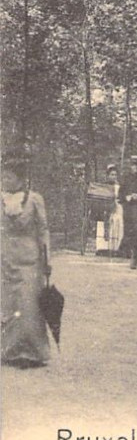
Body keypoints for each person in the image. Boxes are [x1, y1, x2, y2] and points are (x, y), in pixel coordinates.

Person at [1, 151, 51, 368]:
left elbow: (43, 230)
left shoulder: (34, 199)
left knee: (29, 305)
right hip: (4, 258)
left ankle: (31, 353)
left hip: (29, 259)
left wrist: (46, 258)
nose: (5, 181)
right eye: (2, 177)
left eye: (9, 177)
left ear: (20, 179)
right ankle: (9, 350)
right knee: (8, 304)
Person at [95, 163, 123, 256]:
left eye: (115, 175)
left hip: (116, 206)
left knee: (117, 221)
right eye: (111, 175)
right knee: (104, 222)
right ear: (107, 176)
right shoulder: (104, 186)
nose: (113, 177)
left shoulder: (119, 186)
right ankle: (102, 247)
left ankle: (114, 247)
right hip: (106, 207)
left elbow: (120, 197)